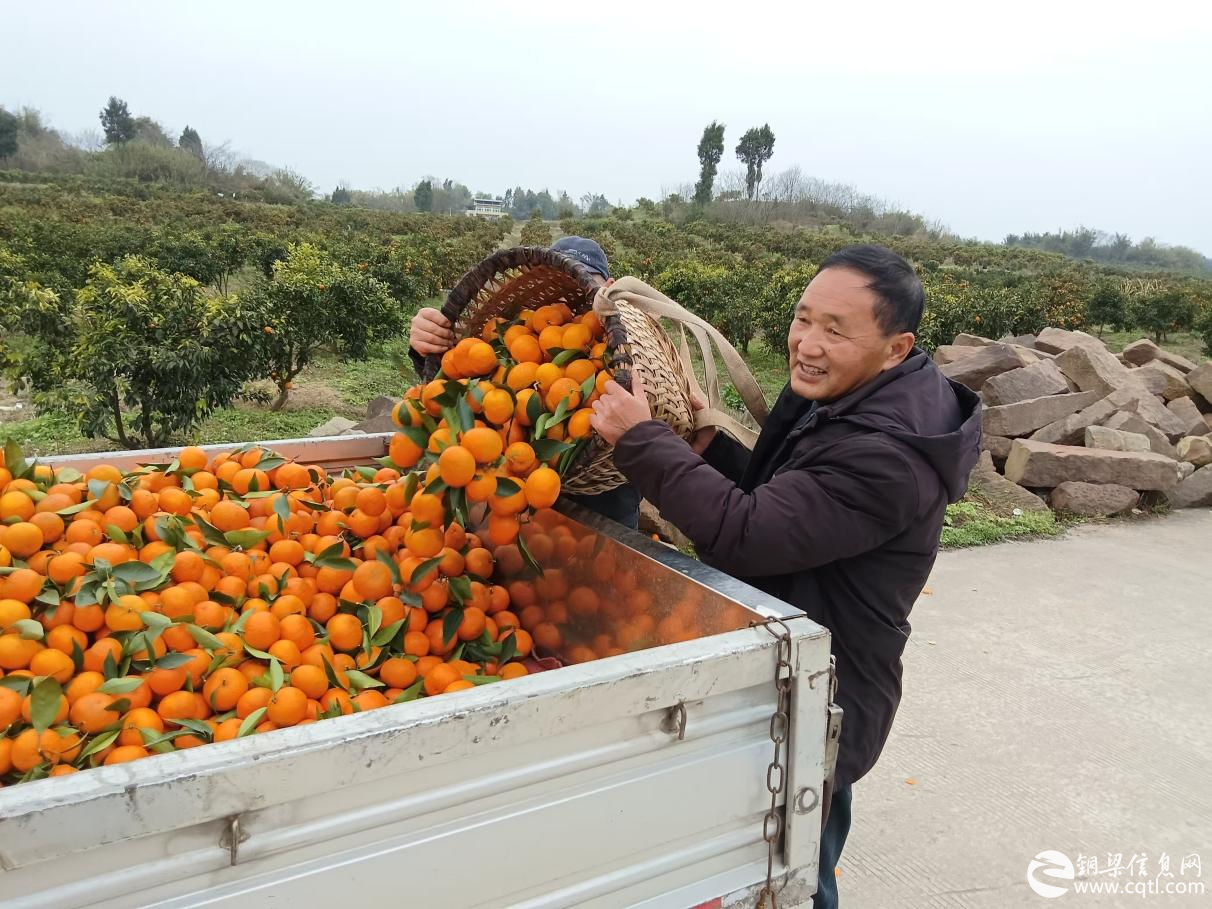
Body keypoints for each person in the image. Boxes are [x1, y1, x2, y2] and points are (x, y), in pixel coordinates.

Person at [588, 244, 981, 908]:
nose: (807, 341)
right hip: (799, 664)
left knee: (796, 864)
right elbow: (794, 497)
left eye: (835, 329)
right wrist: (712, 448)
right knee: (773, 846)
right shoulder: (860, 393)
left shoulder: (889, 454)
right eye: (804, 318)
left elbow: (748, 535)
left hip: (826, 687)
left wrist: (641, 439)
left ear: (895, 346)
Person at [408, 236, 642, 528]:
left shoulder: (633, 345)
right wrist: (430, 347)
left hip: (607, 515)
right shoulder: (526, 336)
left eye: (584, 281)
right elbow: (462, 389)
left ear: (609, 287)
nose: (570, 294)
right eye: (561, 280)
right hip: (520, 510)